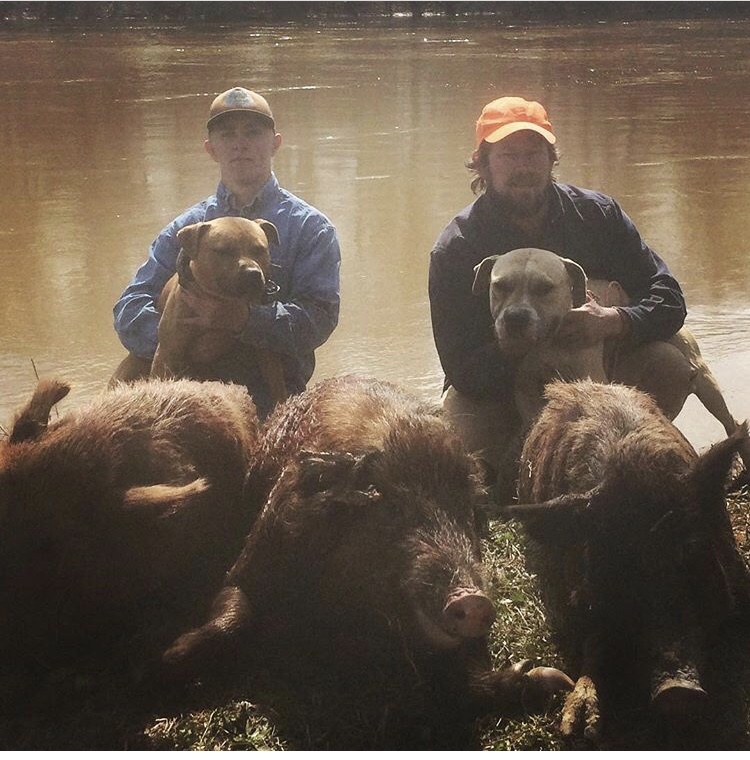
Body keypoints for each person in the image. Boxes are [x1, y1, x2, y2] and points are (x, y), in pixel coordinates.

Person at [428, 96, 688, 474]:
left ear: (551, 159)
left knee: (670, 365)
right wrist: (513, 348)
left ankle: (631, 462)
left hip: (596, 369)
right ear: (483, 164)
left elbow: (670, 300)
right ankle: (513, 475)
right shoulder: (457, 247)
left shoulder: (597, 215)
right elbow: (460, 368)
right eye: (508, 155)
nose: (523, 167)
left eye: (534, 153)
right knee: (467, 443)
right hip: (499, 389)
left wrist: (614, 320)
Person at [113, 86, 341, 418]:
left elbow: (319, 320)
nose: (240, 143)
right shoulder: (188, 229)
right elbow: (129, 309)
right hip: (185, 388)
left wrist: (245, 322)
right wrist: (185, 340)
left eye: (253, 132)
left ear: (275, 143)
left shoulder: (310, 228)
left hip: (267, 392)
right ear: (211, 149)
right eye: (227, 134)